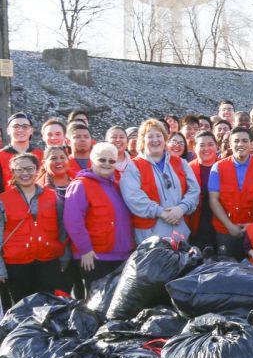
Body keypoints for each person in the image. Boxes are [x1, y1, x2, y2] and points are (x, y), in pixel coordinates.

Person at [64, 142, 135, 291]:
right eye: (102, 160)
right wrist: (85, 249)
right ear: (92, 159)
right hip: (95, 256)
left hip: (121, 256)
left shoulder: (116, 185)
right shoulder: (81, 185)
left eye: (111, 161)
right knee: (97, 304)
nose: (107, 164)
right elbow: (73, 221)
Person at [0, 153, 70, 303]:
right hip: (16, 265)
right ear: (12, 172)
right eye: (19, 169)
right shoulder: (3, 200)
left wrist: (64, 257)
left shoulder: (53, 196)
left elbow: (63, 230)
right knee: (20, 311)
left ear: (38, 170)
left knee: (50, 308)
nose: (25, 173)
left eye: (30, 169)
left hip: (48, 262)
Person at [121, 119, 200, 244]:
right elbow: (133, 197)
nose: (155, 140)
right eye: (150, 136)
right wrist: (161, 212)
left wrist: (182, 209)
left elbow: (194, 190)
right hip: (150, 236)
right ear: (142, 141)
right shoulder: (134, 166)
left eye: (159, 135)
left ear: (165, 139)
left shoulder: (180, 162)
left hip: (180, 231)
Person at [208, 127, 253, 260]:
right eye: (236, 141)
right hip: (225, 230)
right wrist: (229, 226)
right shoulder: (218, 167)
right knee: (228, 269)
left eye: (245, 141)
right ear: (230, 144)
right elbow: (213, 200)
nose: (240, 144)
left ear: (252, 144)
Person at [188, 131, 219, 249]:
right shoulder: (187, 169)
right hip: (196, 224)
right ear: (195, 148)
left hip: (223, 224)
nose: (206, 148)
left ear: (217, 146)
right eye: (202, 145)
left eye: (210, 144)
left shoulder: (225, 166)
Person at [0, 113, 43, 187]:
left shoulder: (41, 155)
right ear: (8, 130)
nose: (20, 130)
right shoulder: (1, 156)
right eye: (16, 126)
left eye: (25, 127)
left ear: (31, 131)